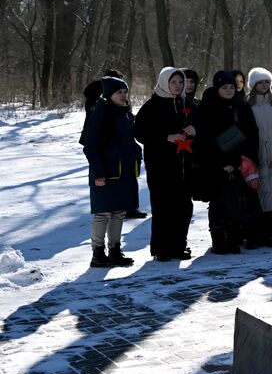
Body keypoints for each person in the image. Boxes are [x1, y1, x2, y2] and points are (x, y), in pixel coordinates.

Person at [193, 70, 259, 253]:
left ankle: (234, 239)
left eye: (231, 86)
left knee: (237, 202)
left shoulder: (242, 106)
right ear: (217, 88)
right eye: (225, 87)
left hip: (239, 163)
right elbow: (204, 139)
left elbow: (251, 135)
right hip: (215, 165)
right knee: (218, 205)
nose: (229, 90)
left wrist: (239, 160)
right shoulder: (207, 108)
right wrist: (223, 161)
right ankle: (219, 241)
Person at [133, 67, 196, 261]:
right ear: (164, 83)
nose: (177, 86)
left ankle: (179, 245)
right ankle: (162, 249)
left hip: (184, 163)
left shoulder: (186, 103)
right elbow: (139, 132)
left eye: (180, 82)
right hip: (160, 164)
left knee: (184, 206)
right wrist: (165, 137)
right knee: (163, 207)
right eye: (173, 82)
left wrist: (195, 129)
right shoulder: (152, 105)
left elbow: (200, 125)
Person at [81, 76, 140, 267]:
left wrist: (136, 156)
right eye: (119, 92)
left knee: (119, 213)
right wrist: (98, 173)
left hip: (124, 172)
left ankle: (115, 250)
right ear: (109, 95)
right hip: (104, 173)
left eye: (125, 92)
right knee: (103, 213)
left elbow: (129, 141)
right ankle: (98, 253)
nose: (123, 95)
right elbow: (90, 146)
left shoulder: (125, 113)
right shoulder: (100, 114)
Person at [244, 68, 272, 247]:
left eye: (267, 82)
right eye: (260, 82)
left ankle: (268, 232)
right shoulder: (246, 106)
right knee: (255, 194)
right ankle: (254, 233)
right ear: (253, 85)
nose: (264, 85)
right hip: (255, 155)